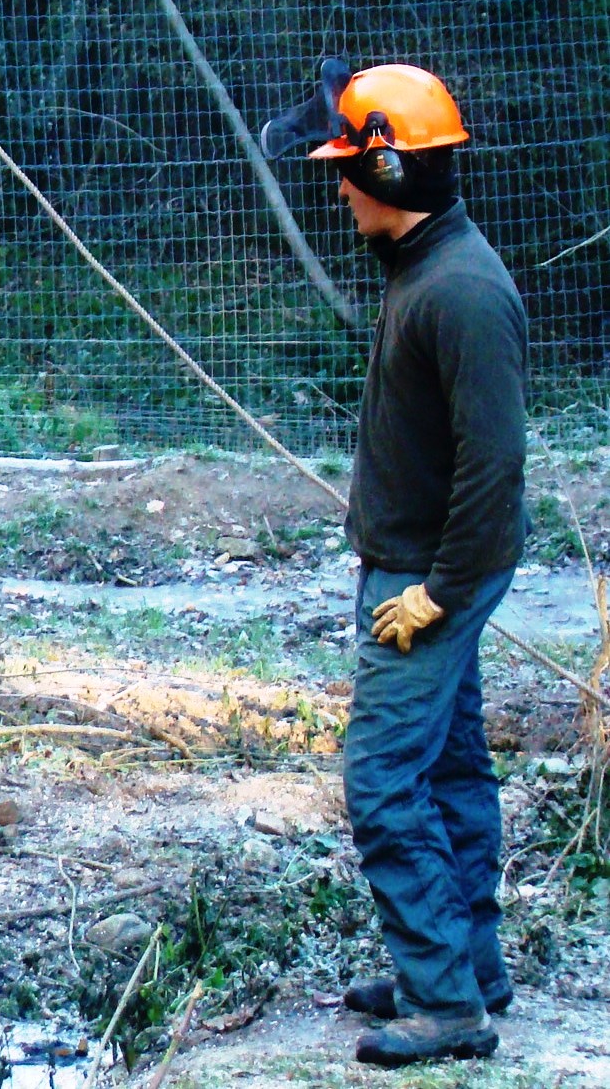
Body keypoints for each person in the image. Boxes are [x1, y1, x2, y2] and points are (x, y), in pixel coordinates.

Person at [263, 61, 527, 1066]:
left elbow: (496, 468)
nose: (338, 189)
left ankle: (446, 1003)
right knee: (452, 768)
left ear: (394, 170)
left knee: (380, 781)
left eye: (349, 169)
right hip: (413, 563)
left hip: (429, 578)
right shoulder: (426, 270)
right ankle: (466, 967)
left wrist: (438, 594)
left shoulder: (462, 294)